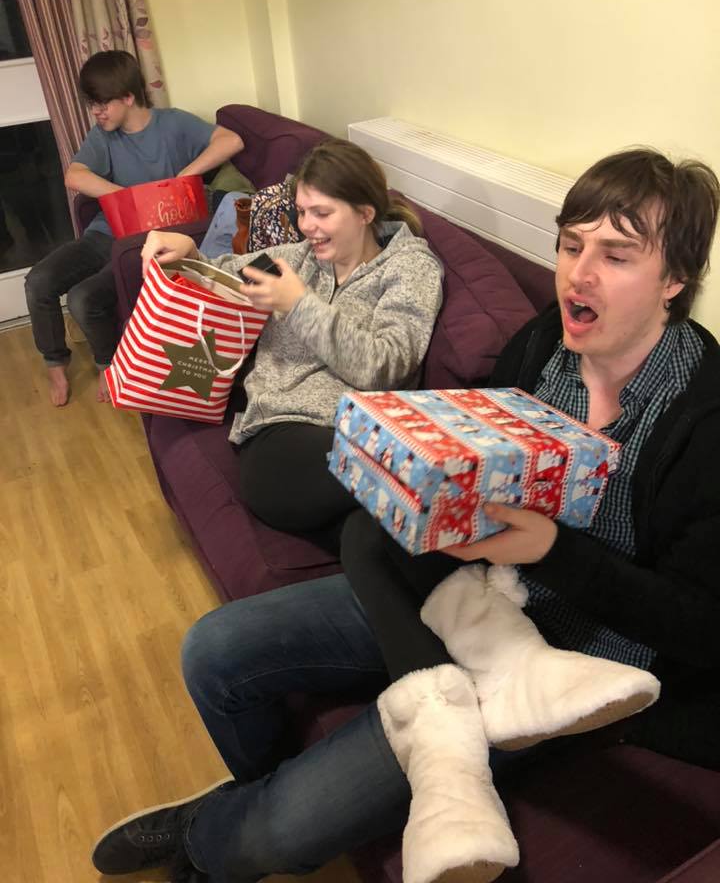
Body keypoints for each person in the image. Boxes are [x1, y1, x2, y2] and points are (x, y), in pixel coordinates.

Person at [91, 148, 720, 883]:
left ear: (675, 279)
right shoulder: (546, 343)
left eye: (616, 255)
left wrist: (549, 550)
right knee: (213, 653)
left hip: (569, 664)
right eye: (571, 244)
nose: (579, 272)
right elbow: (474, 459)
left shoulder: (701, 417)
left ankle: (214, 836)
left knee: (278, 829)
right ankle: (260, 791)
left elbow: (700, 629)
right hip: (464, 592)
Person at [138, 138, 444, 550]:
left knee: (365, 537)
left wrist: (299, 305)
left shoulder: (411, 268)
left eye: (322, 213)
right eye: (301, 212)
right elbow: (224, 275)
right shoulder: (298, 258)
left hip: (362, 432)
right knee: (394, 492)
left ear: (365, 213)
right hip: (281, 435)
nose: (307, 226)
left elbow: (385, 366)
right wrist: (190, 254)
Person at [25, 49, 243, 407]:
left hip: (142, 243)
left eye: (102, 104)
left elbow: (231, 140)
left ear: (128, 96)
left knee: (83, 299)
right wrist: (130, 197)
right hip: (104, 232)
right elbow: (73, 175)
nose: (96, 112)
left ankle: (109, 366)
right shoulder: (103, 137)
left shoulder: (174, 123)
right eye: (91, 104)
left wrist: (185, 176)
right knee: (38, 282)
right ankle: (55, 364)